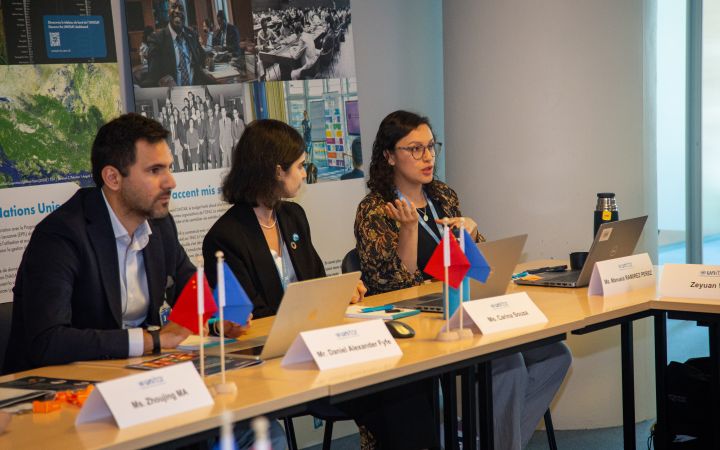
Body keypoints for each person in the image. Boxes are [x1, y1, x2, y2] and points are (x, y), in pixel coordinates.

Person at [202, 119, 439, 450]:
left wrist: (341, 294)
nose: (304, 173)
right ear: (275, 171)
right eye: (299, 166)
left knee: (400, 382)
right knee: (393, 398)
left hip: (321, 346)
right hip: (275, 360)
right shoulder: (226, 236)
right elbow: (251, 319)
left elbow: (315, 282)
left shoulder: (292, 216)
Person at [354, 110, 572, 450]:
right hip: (420, 326)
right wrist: (409, 231)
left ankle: (487, 441)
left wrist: (471, 235)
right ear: (388, 156)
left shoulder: (442, 195)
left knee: (557, 356)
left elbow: (480, 270)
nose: (427, 157)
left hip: (464, 309)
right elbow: (392, 289)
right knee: (509, 364)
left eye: (430, 146)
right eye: (414, 149)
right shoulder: (375, 209)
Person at [3, 113, 195, 373]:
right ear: (113, 178)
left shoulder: (160, 225)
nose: (170, 182)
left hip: (133, 377)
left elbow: (193, 292)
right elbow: (48, 341)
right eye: (154, 170)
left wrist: (221, 319)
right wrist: (153, 340)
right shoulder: (61, 235)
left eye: (169, 168)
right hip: (53, 389)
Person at [146, 0, 209, 87]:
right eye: (173, 7)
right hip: (172, 95)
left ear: (185, 13)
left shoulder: (192, 34)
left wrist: (208, 61)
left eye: (181, 8)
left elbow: (202, 57)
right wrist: (161, 81)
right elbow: (152, 77)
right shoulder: (157, 39)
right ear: (168, 11)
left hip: (195, 91)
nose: (177, 11)